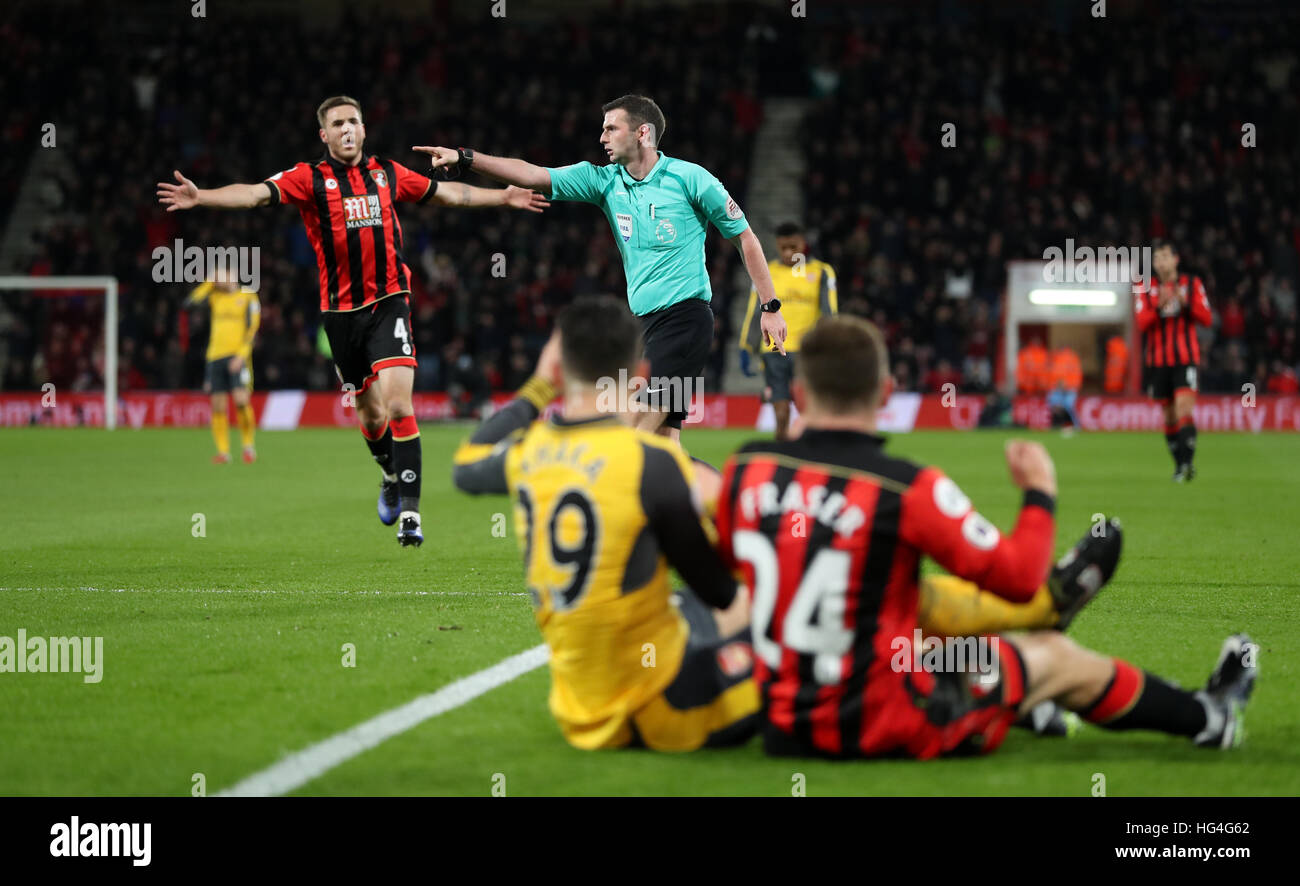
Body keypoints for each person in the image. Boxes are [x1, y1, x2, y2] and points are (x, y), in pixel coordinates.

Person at [714, 315, 1257, 759]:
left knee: (919, 634)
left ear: (801, 393)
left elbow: (736, 581)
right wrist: (1039, 493)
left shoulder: (744, 469)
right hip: (879, 722)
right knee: (1050, 654)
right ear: (885, 393)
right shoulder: (904, 487)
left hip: (783, 720)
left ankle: (1026, 702)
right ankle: (1210, 717)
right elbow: (1018, 577)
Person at [157, 95, 548, 544]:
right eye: (338, 123)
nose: (347, 129)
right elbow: (253, 194)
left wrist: (504, 196)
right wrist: (200, 196)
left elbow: (450, 194)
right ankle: (388, 472)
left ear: (364, 130)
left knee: (400, 404)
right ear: (324, 134)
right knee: (370, 413)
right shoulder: (309, 178)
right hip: (341, 316)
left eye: (354, 121)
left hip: (389, 302)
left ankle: (412, 515)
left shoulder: (387, 173)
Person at [414, 94, 788, 442]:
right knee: (661, 447)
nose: (602, 136)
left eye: (612, 128)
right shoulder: (605, 182)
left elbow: (745, 237)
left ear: (643, 133)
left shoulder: (690, 179)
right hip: (641, 327)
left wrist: (769, 307)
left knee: (625, 436)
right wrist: (466, 158)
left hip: (684, 320)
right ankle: (709, 506)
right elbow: (531, 174)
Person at [738, 221, 837, 440]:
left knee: (808, 415)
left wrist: (830, 348)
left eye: (793, 247)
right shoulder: (766, 271)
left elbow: (829, 313)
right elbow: (754, 312)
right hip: (774, 352)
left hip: (807, 353)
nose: (788, 252)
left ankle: (809, 461)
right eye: (783, 248)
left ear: (803, 244)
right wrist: (746, 346)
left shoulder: (821, 272)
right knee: (781, 415)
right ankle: (783, 460)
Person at [1133, 240, 1213, 481]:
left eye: (1165, 256)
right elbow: (1142, 323)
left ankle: (1188, 465)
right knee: (1168, 416)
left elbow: (1207, 318)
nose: (1161, 262)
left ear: (1176, 259)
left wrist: (1185, 303)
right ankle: (1179, 466)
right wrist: (1159, 307)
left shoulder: (1192, 284)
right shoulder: (1144, 286)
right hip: (1157, 361)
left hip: (1185, 358)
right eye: (1157, 258)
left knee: (1183, 408)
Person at [185, 271, 259, 463]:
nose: (217, 279)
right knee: (218, 405)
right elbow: (189, 305)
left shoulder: (248, 295)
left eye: (220, 275)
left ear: (233, 276)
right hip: (215, 356)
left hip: (237, 357)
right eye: (215, 277)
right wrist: (208, 284)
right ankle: (224, 452)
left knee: (241, 401)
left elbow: (252, 329)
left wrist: (241, 356)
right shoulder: (214, 296)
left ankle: (248, 447)